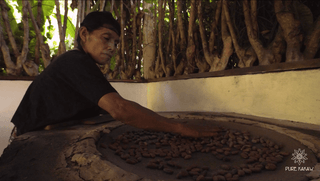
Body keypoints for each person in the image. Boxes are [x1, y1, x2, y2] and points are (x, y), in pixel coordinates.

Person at [10, 11, 217, 140]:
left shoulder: (84, 65)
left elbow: (112, 108)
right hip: (30, 137)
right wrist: (178, 128)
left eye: (116, 43)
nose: (111, 47)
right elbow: (119, 108)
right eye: (106, 38)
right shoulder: (75, 62)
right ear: (84, 34)